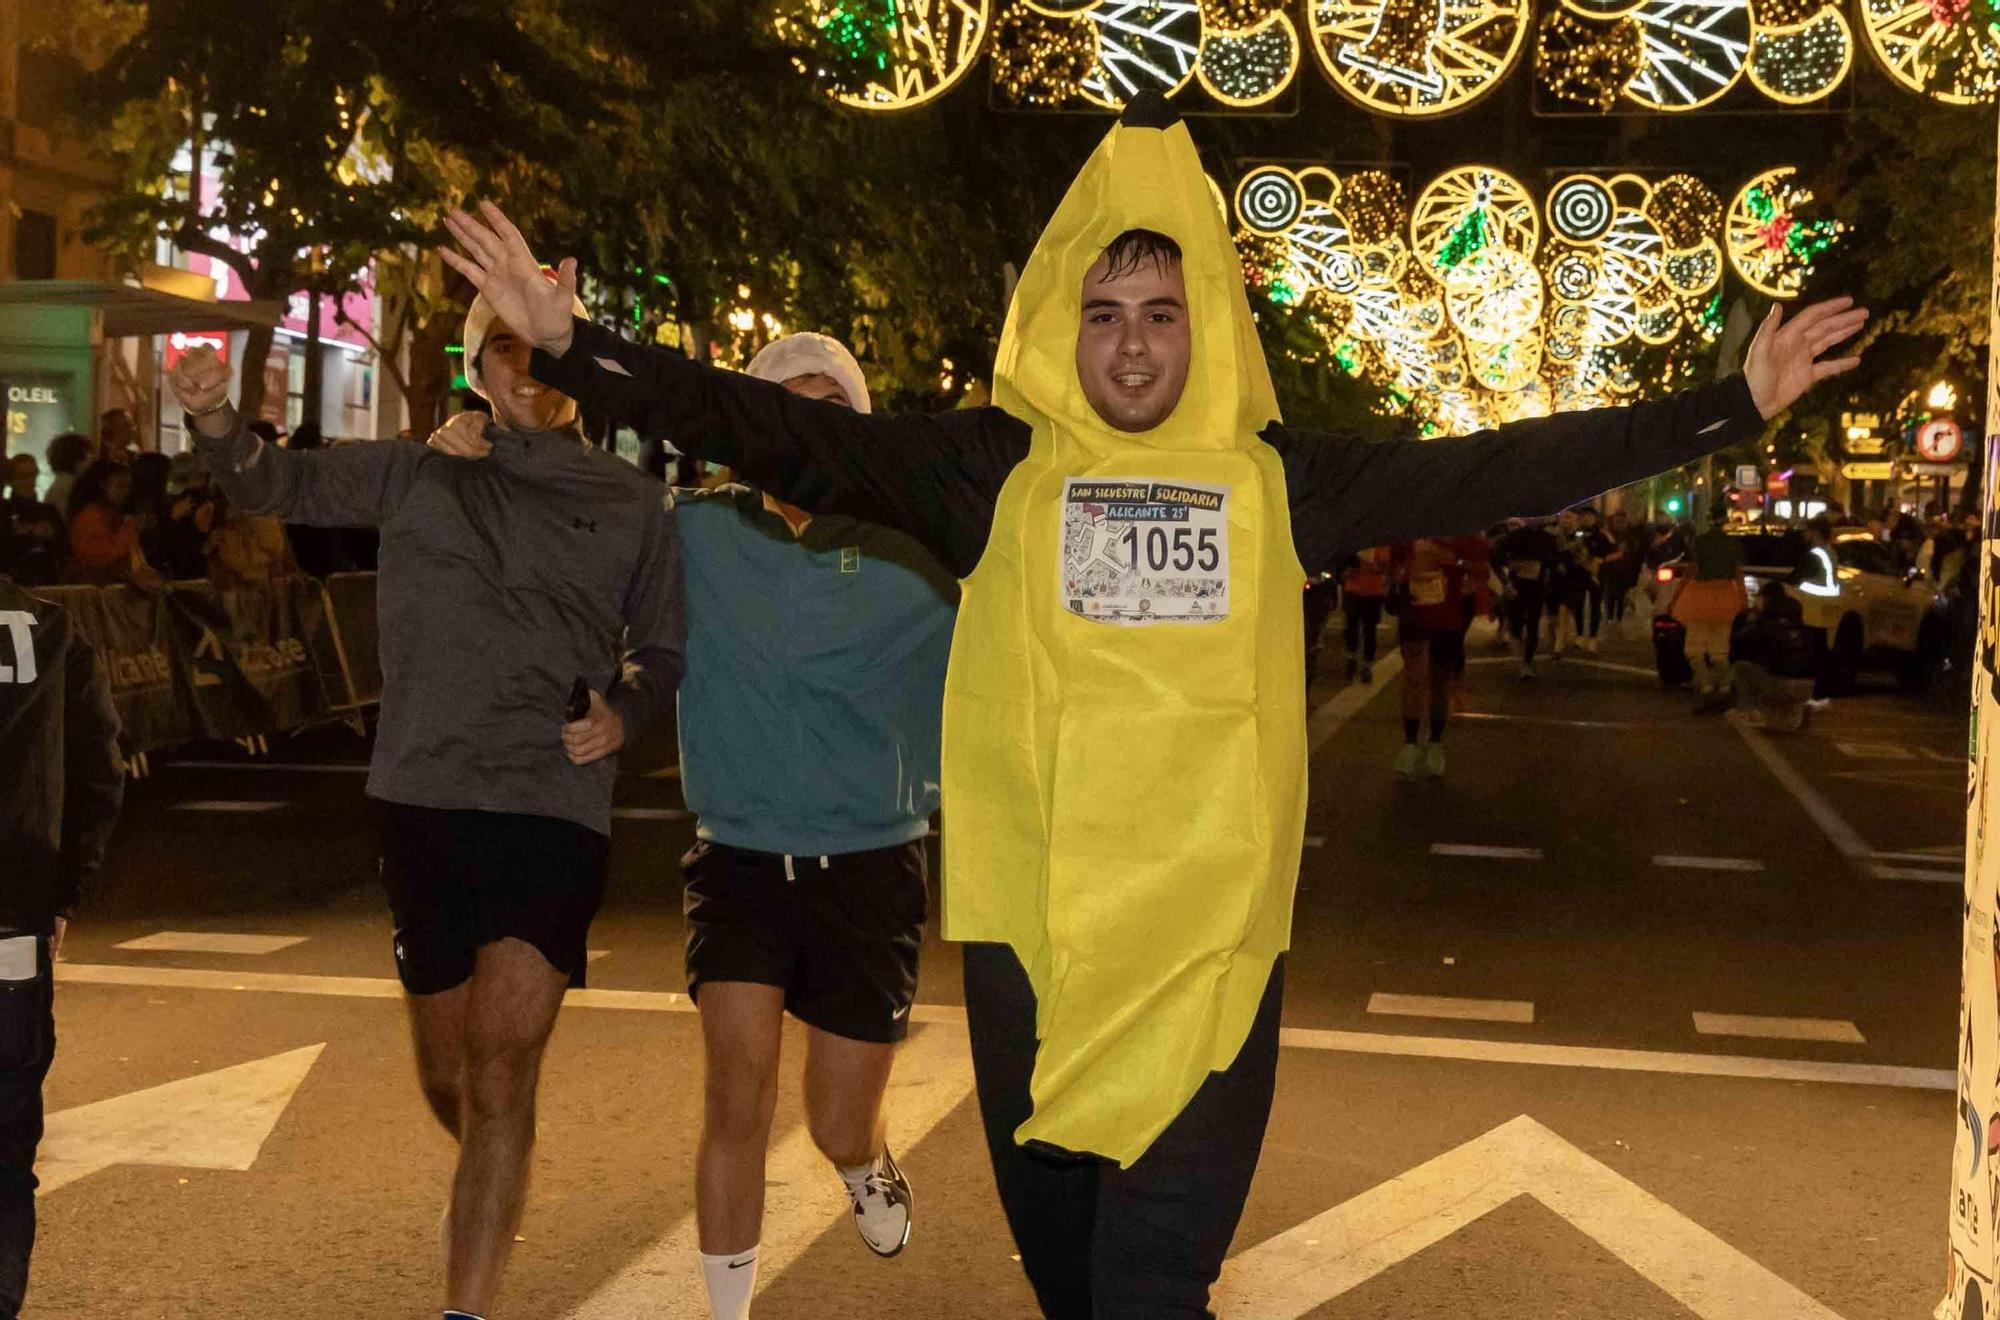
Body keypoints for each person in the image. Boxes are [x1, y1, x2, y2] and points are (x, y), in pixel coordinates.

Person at [440, 95, 1863, 1314]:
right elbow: (778, 429)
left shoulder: (1278, 480)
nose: (1129, 345)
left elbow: (1496, 465)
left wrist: (1724, 406)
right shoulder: (990, 471)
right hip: (1035, 958)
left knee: (1149, 1291)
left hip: (1211, 960)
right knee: (1074, 1284)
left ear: (1208, 327)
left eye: (1161, 313)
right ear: (1067, 328)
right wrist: (573, 347)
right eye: (1103, 313)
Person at [164, 290, 685, 1320]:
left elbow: (663, 647)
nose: (528, 367)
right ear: (478, 363)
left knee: (498, 1075)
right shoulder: (417, 468)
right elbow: (280, 483)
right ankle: (491, 1165)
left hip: (551, 799)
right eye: (506, 346)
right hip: (421, 798)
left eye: (550, 350)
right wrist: (218, 417)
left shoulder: (631, 503)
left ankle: (466, 1304)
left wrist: (623, 714)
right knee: (450, 1080)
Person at [429, 332, 956, 1320]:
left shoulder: (922, 540)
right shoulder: (690, 527)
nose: (805, 430)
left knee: (834, 1122)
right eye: (782, 410)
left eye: (829, 411)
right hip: (740, 857)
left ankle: (864, 1159)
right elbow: (565, 513)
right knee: (735, 1098)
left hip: (874, 863)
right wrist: (481, 442)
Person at [0, 576, 122, 1316]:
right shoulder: (45, 625)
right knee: (7, 1158)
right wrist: (63, 891)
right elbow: (97, 767)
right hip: (12, 924)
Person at [1389, 535, 1483, 776]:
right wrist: (1402, 573)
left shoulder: (1464, 532)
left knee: (1440, 681)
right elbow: (1394, 568)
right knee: (1414, 677)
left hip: (1448, 617)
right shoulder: (1408, 529)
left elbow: (1481, 567)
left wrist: (1455, 562)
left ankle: (1435, 744)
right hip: (1414, 613)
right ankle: (1409, 743)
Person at [1679, 511, 1747, 692]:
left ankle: (1706, 682)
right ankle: (1724, 682)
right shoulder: (1733, 544)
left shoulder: (1700, 542)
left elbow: (1691, 570)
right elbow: (1739, 574)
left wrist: (1676, 597)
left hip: (1701, 596)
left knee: (1693, 649)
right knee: (1719, 650)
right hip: (1726, 597)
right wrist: (1743, 599)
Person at [63, 460, 150, 585]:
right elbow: (105, 556)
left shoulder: (113, 512)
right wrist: (131, 527)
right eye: (120, 486)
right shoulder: (90, 516)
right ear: (103, 485)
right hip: (94, 590)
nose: (126, 491)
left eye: (128, 487)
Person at [1496, 517, 1560, 678]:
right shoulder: (1513, 537)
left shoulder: (1549, 538)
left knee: (1533, 624)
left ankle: (1527, 663)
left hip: (1537, 587)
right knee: (1516, 624)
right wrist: (1506, 580)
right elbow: (1495, 557)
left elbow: (1553, 562)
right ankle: (1520, 662)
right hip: (1516, 586)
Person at [0, 456, 64, 587]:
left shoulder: (49, 511)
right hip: (11, 583)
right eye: (22, 475)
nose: (29, 481)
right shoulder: (3, 511)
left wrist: (52, 536)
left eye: (33, 475)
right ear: (10, 479)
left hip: (45, 583)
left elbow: (65, 549)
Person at [1340, 546, 1390, 683]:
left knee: (1370, 629)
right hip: (1353, 589)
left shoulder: (1381, 547)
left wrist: (1373, 565)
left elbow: (1386, 564)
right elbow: (1341, 560)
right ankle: (1351, 657)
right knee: (1351, 625)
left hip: (1373, 591)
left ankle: (1366, 664)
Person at [40, 434, 90, 521]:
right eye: (86, 457)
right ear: (76, 459)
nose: (90, 461)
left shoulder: (62, 486)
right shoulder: (67, 489)